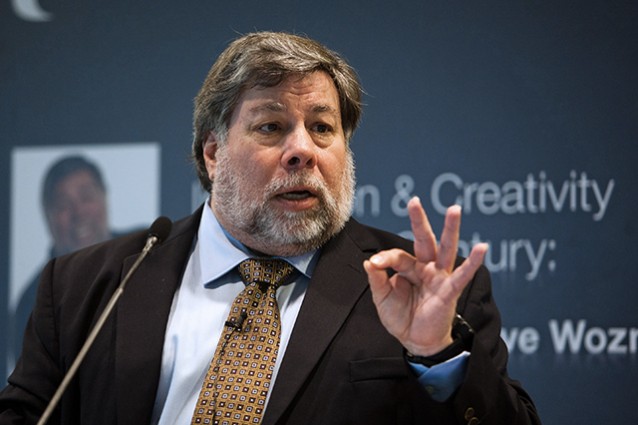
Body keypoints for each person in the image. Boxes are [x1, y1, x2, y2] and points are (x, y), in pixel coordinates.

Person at [0, 32, 541, 425]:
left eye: (322, 127)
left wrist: (435, 355)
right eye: (271, 126)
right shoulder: (84, 287)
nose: (302, 149)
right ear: (213, 153)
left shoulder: (418, 288)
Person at [11, 155, 115, 366]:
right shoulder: (33, 303)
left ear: (104, 197)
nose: (79, 213)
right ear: (47, 216)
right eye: (63, 205)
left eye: (86, 197)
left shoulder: (147, 250)